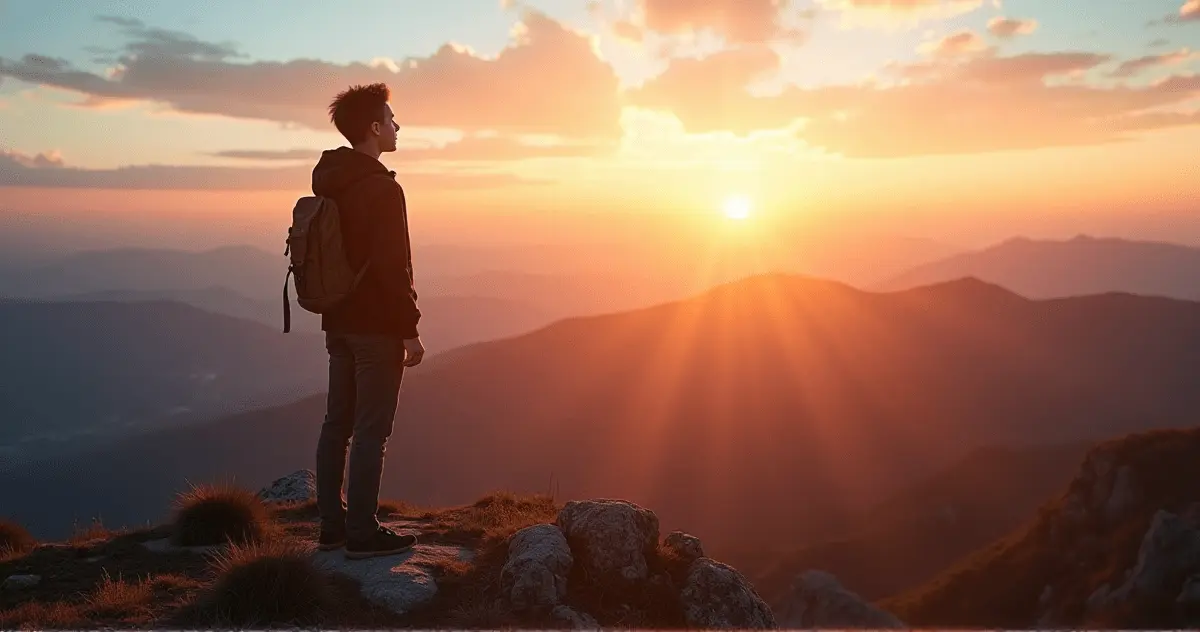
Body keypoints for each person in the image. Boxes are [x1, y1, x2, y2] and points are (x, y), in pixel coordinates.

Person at [310, 83, 424, 559]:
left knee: (337, 424)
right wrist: (410, 330)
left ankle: (332, 528)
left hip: (338, 323)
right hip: (376, 328)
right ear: (374, 129)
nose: (399, 127)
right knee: (371, 432)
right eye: (392, 119)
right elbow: (391, 267)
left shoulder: (331, 180)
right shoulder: (382, 188)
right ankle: (362, 533)